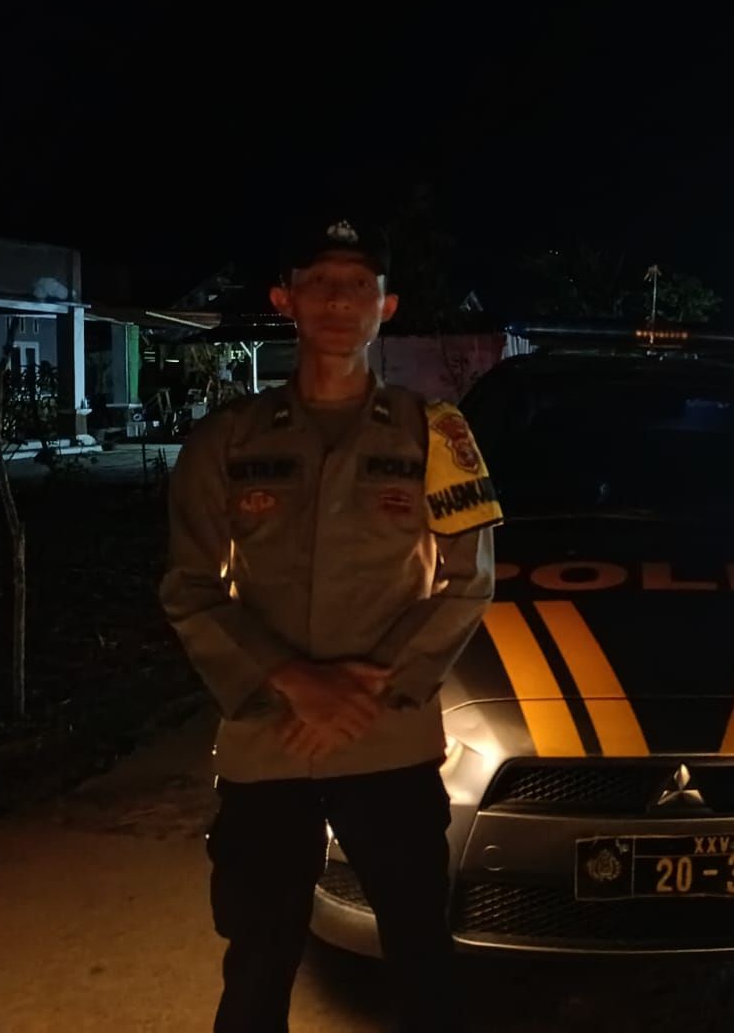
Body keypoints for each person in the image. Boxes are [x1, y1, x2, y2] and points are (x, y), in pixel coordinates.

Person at [160, 218, 502, 1033]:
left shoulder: (436, 433)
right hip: (268, 739)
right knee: (257, 961)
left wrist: (363, 690)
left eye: (358, 285)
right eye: (319, 282)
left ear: (388, 305)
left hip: (387, 739)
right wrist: (294, 682)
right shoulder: (227, 440)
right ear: (285, 299)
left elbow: (469, 579)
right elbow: (189, 587)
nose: (339, 300)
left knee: (421, 955)